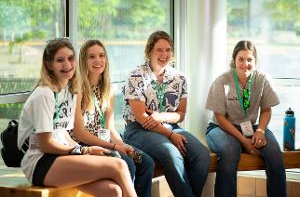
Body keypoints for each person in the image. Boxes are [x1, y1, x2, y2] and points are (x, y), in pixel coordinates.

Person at [17, 38, 137, 197]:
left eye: (70, 59)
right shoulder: (44, 94)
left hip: (61, 156)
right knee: (119, 166)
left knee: (112, 191)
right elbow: (45, 144)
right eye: (60, 60)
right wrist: (83, 149)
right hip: (40, 162)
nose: (67, 65)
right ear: (48, 65)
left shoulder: (69, 91)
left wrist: (86, 152)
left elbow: (63, 134)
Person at [122, 30, 210, 197]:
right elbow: (141, 117)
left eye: (168, 50)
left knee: (202, 155)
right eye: (159, 50)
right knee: (172, 153)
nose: (164, 54)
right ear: (150, 52)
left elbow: (181, 114)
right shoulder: (137, 75)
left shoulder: (180, 78)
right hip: (138, 130)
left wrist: (161, 117)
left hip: (170, 126)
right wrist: (170, 135)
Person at [72, 39, 154, 197]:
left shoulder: (107, 89)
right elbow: (79, 133)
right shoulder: (78, 89)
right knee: (127, 163)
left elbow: (110, 128)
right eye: (92, 57)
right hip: (84, 145)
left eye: (101, 55)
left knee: (145, 161)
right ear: (83, 61)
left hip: (106, 141)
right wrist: (115, 148)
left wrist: (123, 145)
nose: (98, 60)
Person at [205, 40, 286, 197]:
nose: (245, 64)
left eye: (250, 59)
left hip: (253, 127)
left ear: (255, 61)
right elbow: (219, 117)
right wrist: (243, 140)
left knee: (275, 155)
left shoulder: (263, 79)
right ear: (234, 60)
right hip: (221, 127)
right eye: (241, 59)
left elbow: (266, 109)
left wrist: (261, 130)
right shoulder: (222, 81)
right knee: (229, 152)